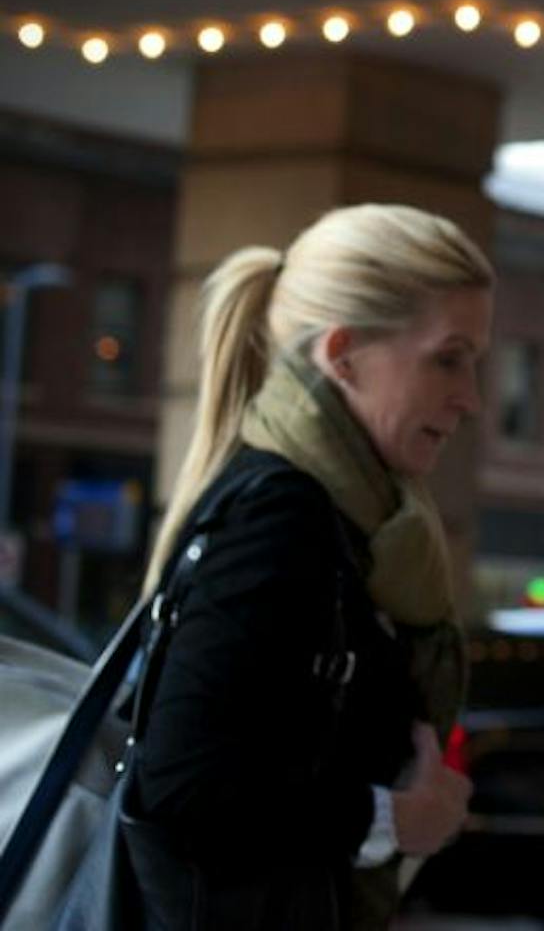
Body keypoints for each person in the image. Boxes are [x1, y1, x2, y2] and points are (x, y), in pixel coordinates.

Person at [121, 203, 492, 929]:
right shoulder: (283, 518)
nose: (471, 399)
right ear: (344, 353)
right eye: (449, 358)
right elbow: (180, 781)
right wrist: (394, 817)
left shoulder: (348, 522)